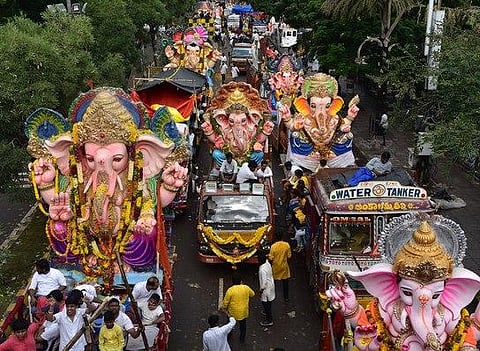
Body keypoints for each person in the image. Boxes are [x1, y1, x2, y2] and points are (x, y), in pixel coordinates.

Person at [221, 273, 255, 343]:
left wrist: (223, 308)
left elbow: (226, 302)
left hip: (232, 312)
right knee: (243, 326)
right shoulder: (246, 287)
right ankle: (242, 338)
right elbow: (253, 294)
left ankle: (229, 336)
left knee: (230, 325)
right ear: (241, 281)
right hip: (243, 312)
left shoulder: (230, 290)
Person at [268, 236, 292, 302]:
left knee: (273, 283)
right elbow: (289, 256)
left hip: (275, 267)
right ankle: (286, 298)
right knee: (285, 284)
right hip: (284, 267)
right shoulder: (286, 245)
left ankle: (271, 296)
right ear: (282, 238)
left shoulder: (273, 246)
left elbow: (271, 258)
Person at [258, 253, 275, 327]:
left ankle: (269, 320)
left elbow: (264, 283)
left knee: (265, 302)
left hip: (266, 288)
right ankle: (266, 311)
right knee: (269, 300)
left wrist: (261, 290)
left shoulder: (262, 270)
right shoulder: (267, 263)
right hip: (271, 285)